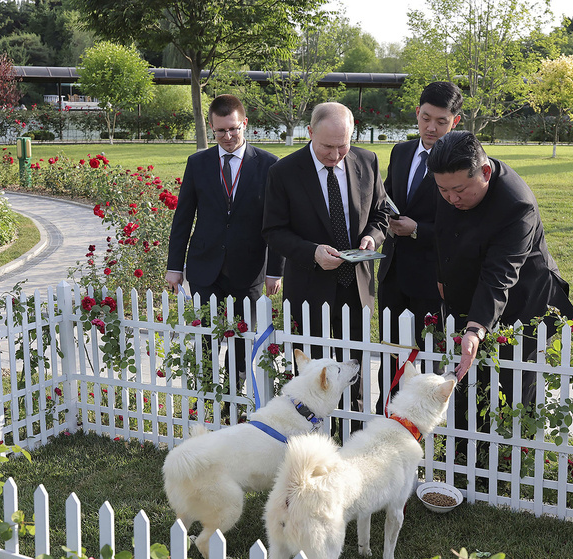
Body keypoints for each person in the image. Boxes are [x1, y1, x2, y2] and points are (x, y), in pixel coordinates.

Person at [427, 130, 573, 454]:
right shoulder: (450, 182)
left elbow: (500, 276)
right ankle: (466, 455)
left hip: (524, 303)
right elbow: (443, 233)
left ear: (484, 173)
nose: (451, 198)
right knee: (467, 379)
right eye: (443, 190)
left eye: (458, 190)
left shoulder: (516, 205)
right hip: (472, 295)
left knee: (515, 386)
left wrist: (476, 328)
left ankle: (513, 459)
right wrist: (444, 276)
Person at [263, 102, 389, 430]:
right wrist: (312, 252)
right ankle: (313, 439)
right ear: (310, 133)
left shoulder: (367, 160)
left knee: (353, 369)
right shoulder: (284, 172)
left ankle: (353, 437)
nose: (335, 155)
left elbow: (381, 213)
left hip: (356, 286)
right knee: (312, 375)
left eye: (342, 145)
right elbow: (273, 232)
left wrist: (372, 238)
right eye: (327, 147)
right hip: (309, 289)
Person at [166, 94, 283, 386]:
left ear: (244, 123)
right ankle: (208, 398)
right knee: (206, 339)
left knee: (241, 342)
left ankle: (234, 398)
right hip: (205, 269)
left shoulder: (270, 165)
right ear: (211, 128)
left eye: (233, 128)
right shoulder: (198, 163)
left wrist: (275, 270)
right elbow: (183, 218)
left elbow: (279, 223)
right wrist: (174, 266)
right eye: (220, 131)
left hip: (249, 271)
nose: (228, 136)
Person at [375, 81, 463, 415]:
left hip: (433, 276)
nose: (431, 127)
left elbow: (462, 224)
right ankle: (387, 417)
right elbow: (385, 197)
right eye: (426, 118)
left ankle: (426, 426)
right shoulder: (400, 152)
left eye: (441, 121)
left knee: (429, 362)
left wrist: (417, 231)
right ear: (417, 113)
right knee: (392, 356)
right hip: (393, 273)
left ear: (454, 121)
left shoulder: (461, 158)